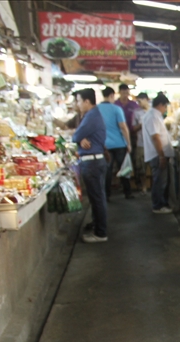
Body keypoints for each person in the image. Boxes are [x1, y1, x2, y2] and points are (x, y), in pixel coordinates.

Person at [71, 88, 109, 243]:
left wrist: (79, 138)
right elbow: (79, 137)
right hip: (94, 161)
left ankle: (101, 233)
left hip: (92, 163)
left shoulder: (91, 116)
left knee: (97, 198)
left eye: (79, 101)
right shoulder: (92, 115)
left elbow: (75, 135)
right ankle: (97, 226)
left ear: (87, 101)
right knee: (97, 198)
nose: (78, 104)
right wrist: (80, 139)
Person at [97, 87, 133, 200]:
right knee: (124, 168)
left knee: (107, 170)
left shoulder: (96, 109)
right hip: (119, 144)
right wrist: (129, 143)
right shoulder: (116, 109)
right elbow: (123, 127)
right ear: (112, 95)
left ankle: (106, 195)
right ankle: (127, 192)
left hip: (104, 145)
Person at [141, 93, 174, 214]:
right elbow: (155, 137)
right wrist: (161, 156)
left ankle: (162, 203)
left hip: (158, 154)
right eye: (165, 107)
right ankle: (158, 205)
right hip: (157, 154)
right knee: (159, 181)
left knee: (161, 180)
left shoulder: (154, 115)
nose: (165, 110)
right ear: (161, 105)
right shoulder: (152, 116)